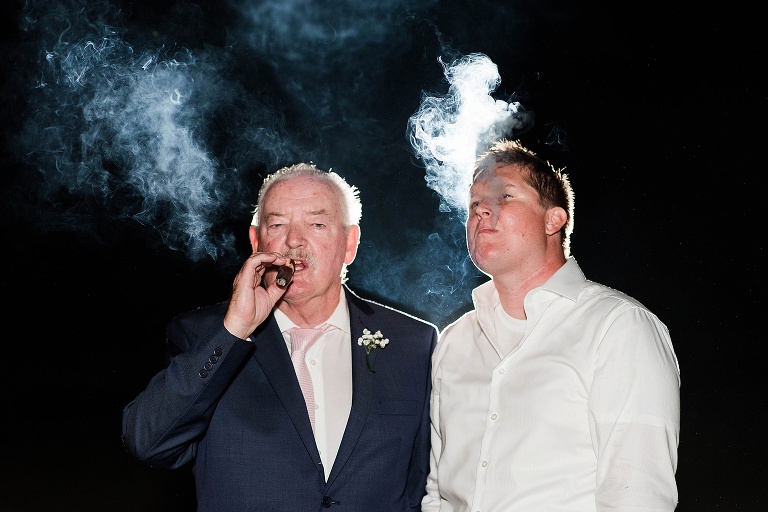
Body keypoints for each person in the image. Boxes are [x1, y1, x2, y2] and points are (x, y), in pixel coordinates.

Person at [122, 162, 438, 511]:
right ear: (256, 242)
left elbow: (426, 486)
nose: (294, 240)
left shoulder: (414, 344)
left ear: (349, 243)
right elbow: (148, 443)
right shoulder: (206, 335)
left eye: (317, 224)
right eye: (277, 224)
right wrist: (234, 330)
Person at [421, 139, 680, 511]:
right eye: (475, 203)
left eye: (505, 196)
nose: (482, 210)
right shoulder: (454, 341)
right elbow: (439, 493)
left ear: (553, 220)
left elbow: (638, 497)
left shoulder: (618, 327)